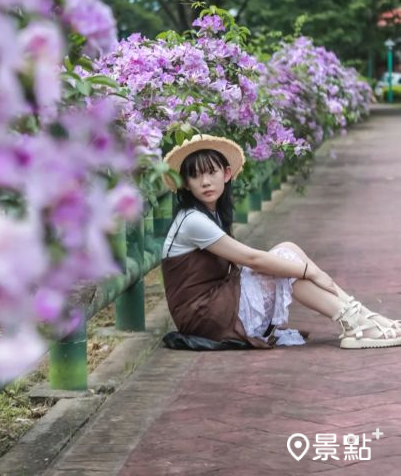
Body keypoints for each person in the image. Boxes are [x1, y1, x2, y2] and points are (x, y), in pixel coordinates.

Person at [161, 134, 401, 349]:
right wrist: (311, 271)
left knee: (287, 249)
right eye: (195, 175)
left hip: (218, 304)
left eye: (211, 172)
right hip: (205, 316)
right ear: (185, 183)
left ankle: (362, 318)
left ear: (226, 174)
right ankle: (356, 323)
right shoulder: (192, 220)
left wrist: (308, 271)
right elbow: (251, 259)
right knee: (284, 262)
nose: (204, 182)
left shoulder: (211, 213)